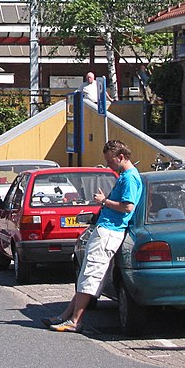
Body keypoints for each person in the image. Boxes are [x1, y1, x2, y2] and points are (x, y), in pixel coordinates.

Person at [44, 140, 143, 333]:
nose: (109, 166)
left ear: (121, 157)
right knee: (85, 274)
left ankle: (74, 321)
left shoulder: (130, 178)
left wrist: (104, 201)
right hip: (106, 229)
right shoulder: (127, 176)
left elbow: (128, 206)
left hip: (109, 231)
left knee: (90, 274)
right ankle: (65, 316)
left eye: (111, 161)